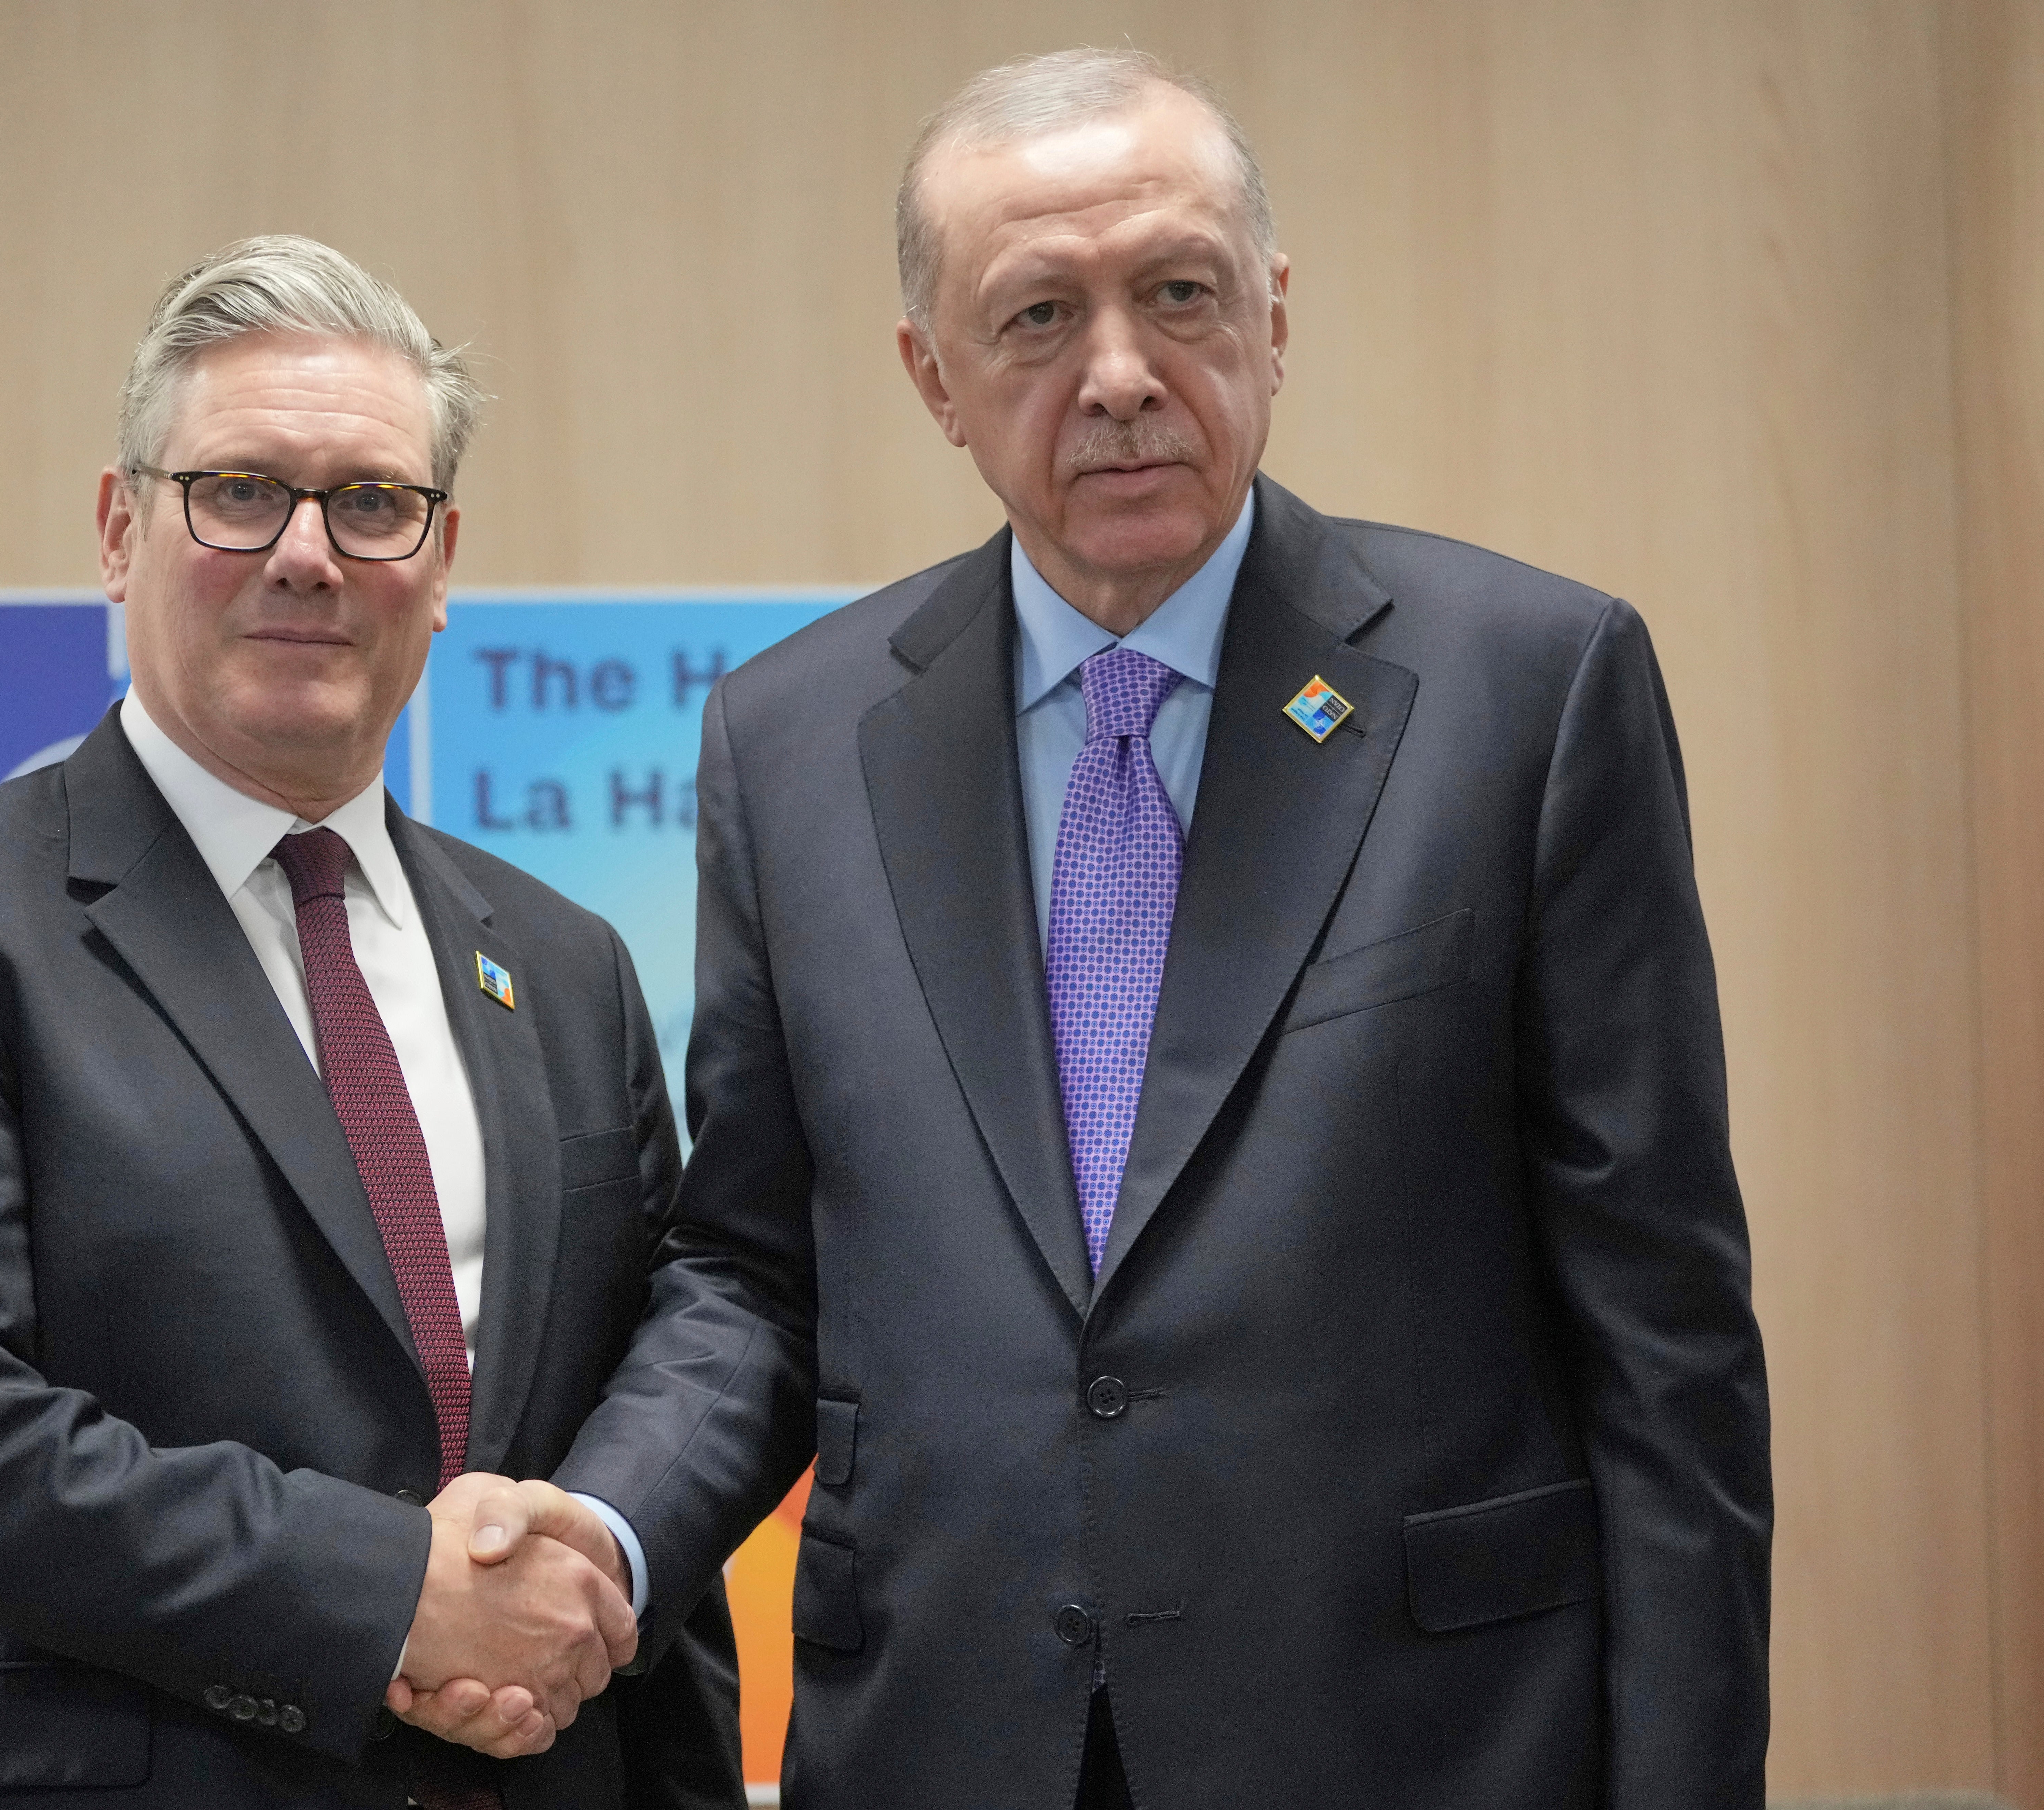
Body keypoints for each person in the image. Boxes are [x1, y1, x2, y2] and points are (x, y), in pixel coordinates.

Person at [483, 46, 1770, 1809]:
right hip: (945, 1735)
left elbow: (1665, 1337)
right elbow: (760, 1273)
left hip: (1422, 1744)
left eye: (1179, 295)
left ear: (1273, 315)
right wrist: (607, 1535)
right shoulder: (792, 742)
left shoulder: (1527, 691)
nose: (1119, 376)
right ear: (932, 377)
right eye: (1033, 319)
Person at [0, 235, 741, 1810]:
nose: (306, 552)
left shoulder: (562, 963)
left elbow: (642, 1402)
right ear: (117, 527)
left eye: (369, 502)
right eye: (239, 490)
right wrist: (387, 1595)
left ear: (438, 561)